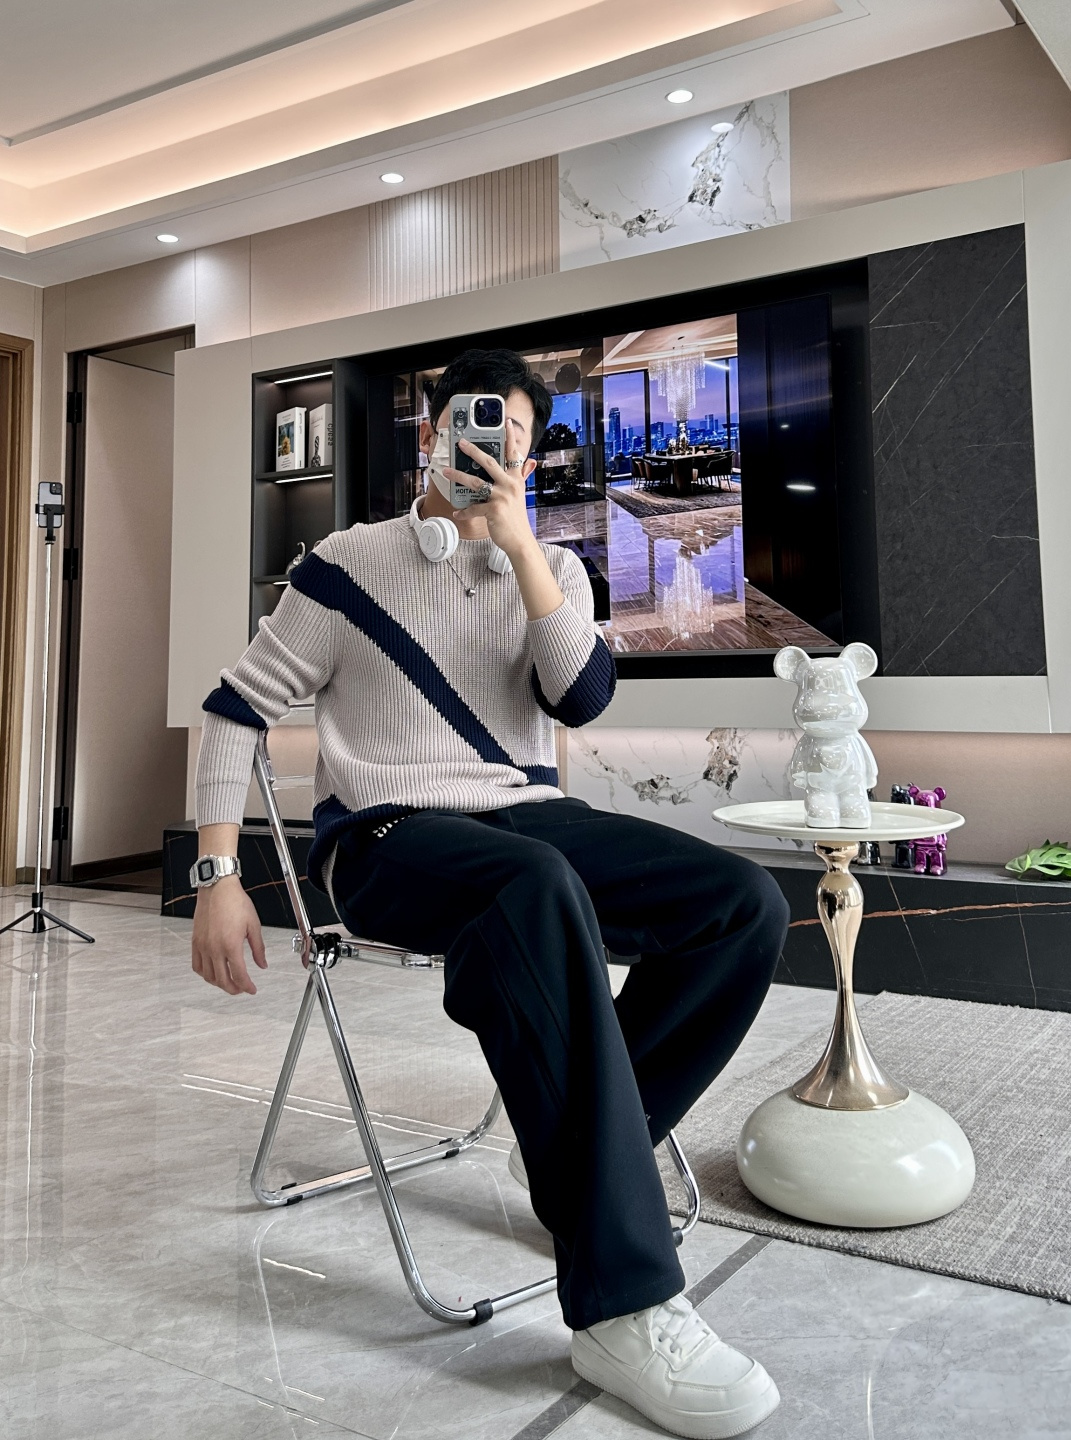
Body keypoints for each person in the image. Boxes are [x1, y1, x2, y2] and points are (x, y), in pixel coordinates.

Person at [190, 347, 788, 1439]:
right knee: (535, 883)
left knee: (744, 902)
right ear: (430, 434)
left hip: (528, 819)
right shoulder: (345, 563)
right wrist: (218, 874)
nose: (491, 448)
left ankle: (574, 1151)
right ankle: (623, 1305)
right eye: (474, 427)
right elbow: (235, 707)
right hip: (385, 837)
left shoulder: (551, 568)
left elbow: (583, 698)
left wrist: (519, 549)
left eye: (515, 436)